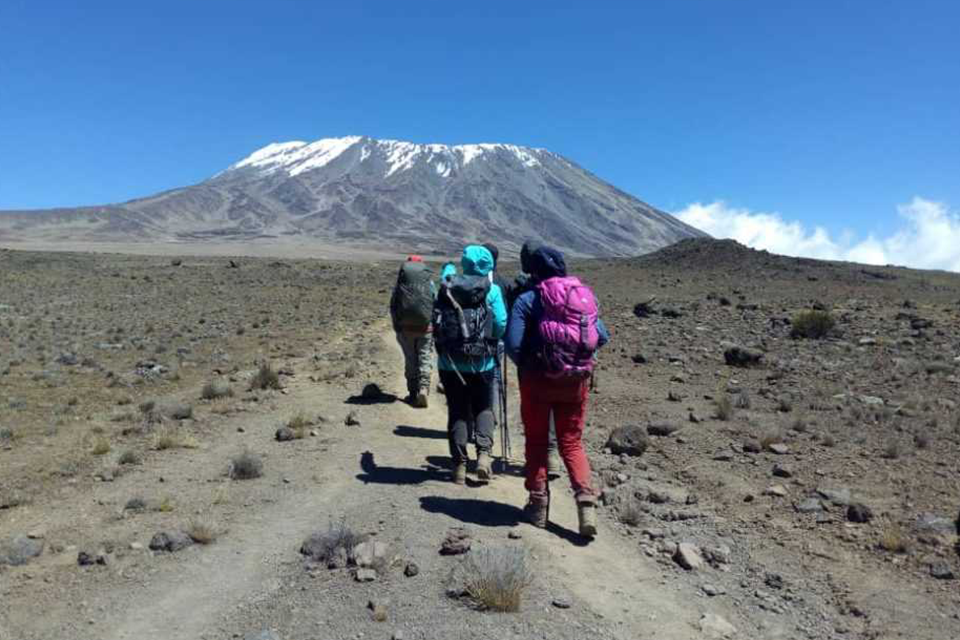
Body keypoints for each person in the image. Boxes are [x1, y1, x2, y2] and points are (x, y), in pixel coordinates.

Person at [505, 246, 610, 537]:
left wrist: (530, 365)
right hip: (575, 384)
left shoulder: (528, 299)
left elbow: (512, 343)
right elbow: (602, 336)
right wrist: (576, 361)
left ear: (533, 271)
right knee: (572, 443)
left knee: (537, 441)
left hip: (537, 383)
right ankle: (586, 503)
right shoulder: (583, 297)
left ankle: (538, 506)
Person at [433, 245, 507, 485]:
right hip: (482, 363)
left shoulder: (448, 286)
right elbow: (500, 323)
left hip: (450, 363)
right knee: (483, 407)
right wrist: (491, 340)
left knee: (457, 411)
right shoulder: (493, 290)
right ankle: (484, 456)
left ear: (465, 263)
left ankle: (459, 466)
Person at [508, 240, 563, 479]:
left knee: (533, 412)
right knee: (556, 408)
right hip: (564, 360)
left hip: (532, 362)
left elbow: (512, 337)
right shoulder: (567, 289)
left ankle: (537, 465)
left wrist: (522, 361)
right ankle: (552, 455)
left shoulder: (523, 292)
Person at [389, 255, 436, 408]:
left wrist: (397, 325)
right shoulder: (429, 282)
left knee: (410, 359)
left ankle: (412, 392)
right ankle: (424, 388)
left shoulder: (401, 284)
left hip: (406, 328)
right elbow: (435, 302)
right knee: (425, 357)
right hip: (426, 328)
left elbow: (393, 305)